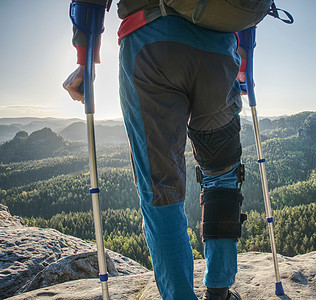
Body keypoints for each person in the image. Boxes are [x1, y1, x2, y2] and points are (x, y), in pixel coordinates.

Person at [63, 1, 246, 299]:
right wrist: (243, 66)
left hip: (150, 44)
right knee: (222, 174)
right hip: (219, 49)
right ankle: (220, 290)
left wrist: (85, 60)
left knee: (160, 187)